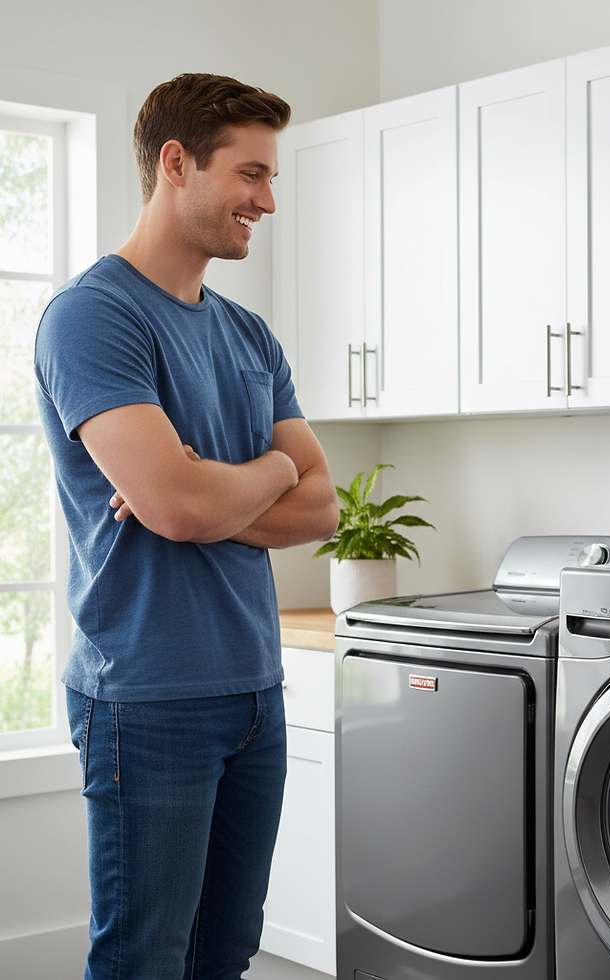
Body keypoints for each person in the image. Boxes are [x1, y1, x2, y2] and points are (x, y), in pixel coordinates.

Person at [33, 73, 339, 980]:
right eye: (251, 174)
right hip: (147, 699)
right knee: (143, 962)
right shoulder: (93, 318)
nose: (268, 201)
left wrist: (228, 490)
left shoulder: (250, 337)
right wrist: (246, 483)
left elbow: (322, 504)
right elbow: (176, 506)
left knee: (224, 957)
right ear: (177, 162)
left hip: (254, 689)